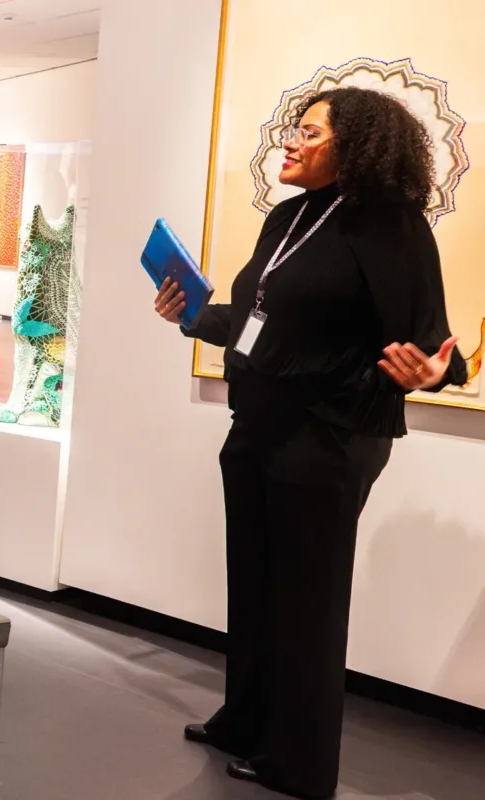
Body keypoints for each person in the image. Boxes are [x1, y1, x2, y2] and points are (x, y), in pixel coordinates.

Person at [159, 88, 466, 800]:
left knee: (307, 601)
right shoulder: (290, 216)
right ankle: (245, 722)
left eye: (308, 132)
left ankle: (298, 763)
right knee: (256, 583)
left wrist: (437, 370)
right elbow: (266, 321)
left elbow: (430, 338)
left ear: (355, 145)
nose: (290, 143)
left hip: (330, 437)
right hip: (261, 424)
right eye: (293, 130)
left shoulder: (391, 225)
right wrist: (195, 317)